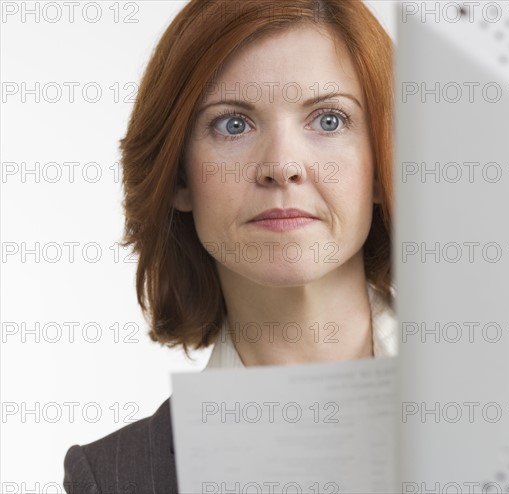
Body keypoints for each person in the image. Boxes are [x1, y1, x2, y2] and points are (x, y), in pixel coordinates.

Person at [63, 0, 395, 492]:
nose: (282, 165)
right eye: (233, 125)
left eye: (329, 120)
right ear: (179, 178)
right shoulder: (117, 477)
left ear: (383, 161)